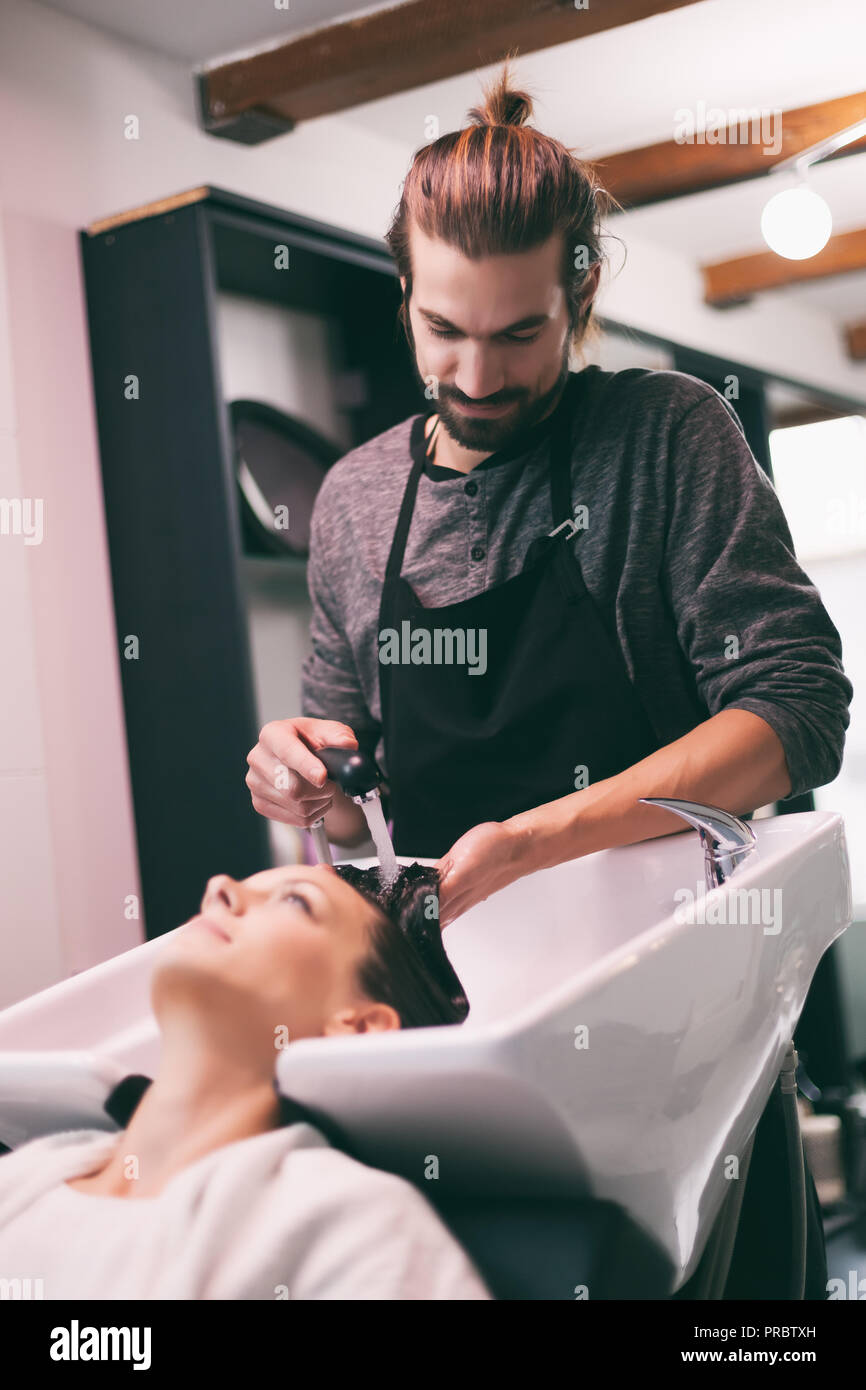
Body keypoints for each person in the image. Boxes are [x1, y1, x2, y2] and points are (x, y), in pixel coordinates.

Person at [243, 60, 851, 1301]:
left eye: (519, 334)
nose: (474, 376)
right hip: (462, 1051)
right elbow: (347, 770)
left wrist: (533, 837)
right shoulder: (359, 501)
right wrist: (305, 770)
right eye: (442, 331)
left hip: (688, 1038)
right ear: (404, 294)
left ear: (577, 300)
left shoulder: (665, 436)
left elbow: (795, 711)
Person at [0, 863, 489, 1301]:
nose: (220, 886)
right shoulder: (26, 1177)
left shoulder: (349, 1226)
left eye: (296, 901)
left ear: (358, 1027)